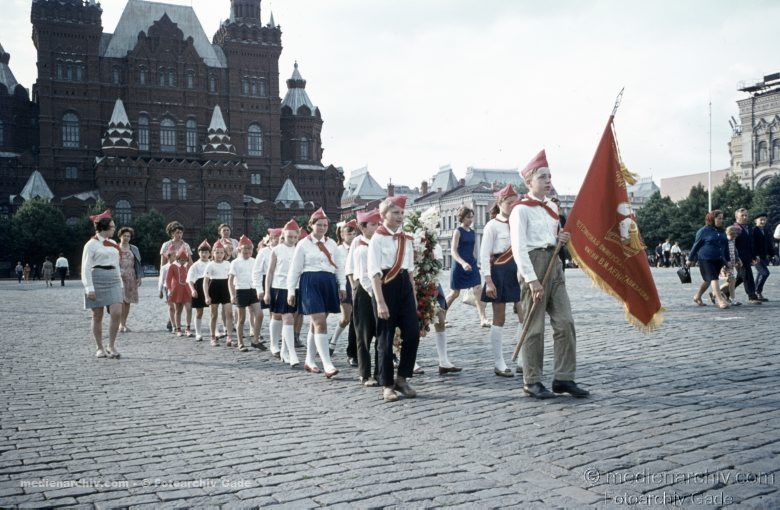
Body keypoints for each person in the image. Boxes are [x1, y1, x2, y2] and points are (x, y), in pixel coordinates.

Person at [511, 150, 588, 399]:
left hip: (554, 264)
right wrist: (531, 280)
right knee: (534, 327)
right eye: (542, 176)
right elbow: (519, 247)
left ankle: (564, 378)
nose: (548, 180)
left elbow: (552, 239)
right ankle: (531, 380)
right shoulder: (520, 210)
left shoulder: (552, 207)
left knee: (565, 322)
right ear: (529, 181)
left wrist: (561, 239)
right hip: (534, 265)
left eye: (550, 176)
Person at [368, 195, 420, 402]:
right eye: (395, 212)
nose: (400, 216)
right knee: (386, 338)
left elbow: (409, 272)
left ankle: (402, 378)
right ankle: (387, 385)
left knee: (413, 333)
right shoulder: (377, 239)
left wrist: (413, 298)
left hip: (404, 288)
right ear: (383, 215)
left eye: (401, 213)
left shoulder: (405, 238)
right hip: (385, 288)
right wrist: (380, 302)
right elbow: (374, 273)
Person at [287, 207, 344, 379]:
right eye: (319, 225)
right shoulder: (303, 244)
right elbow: (294, 269)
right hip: (310, 283)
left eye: (325, 225)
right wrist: (291, 290)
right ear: (311, 225)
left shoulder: (332, 244)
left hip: (328, 283)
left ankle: (310, 360)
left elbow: (339, 267)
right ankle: (327, 364)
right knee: (319, 321)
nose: (322, 228)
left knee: (317, 323)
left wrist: (341, 286)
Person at [479, 184, 521, 378]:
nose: (513, 205)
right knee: (500, 317)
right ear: (500, 203)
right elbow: (484, 255)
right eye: (509, 202)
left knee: (524, 314)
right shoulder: (492, 226)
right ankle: (499, 362)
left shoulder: (519, 222)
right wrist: (488, 281)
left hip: (517, 270)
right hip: (499, 271)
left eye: (515, 202)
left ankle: (522, 359)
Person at [81, 210, 123, 359]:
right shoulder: (91, 244)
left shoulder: (113, 243)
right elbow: (85, 267)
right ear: (104, 228)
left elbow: (117, 264)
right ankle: (99, 347)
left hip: (113, 279)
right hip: (97, 278)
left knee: (117, 312)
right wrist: (89, 287)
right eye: (112, 227)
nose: (114, 229)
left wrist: (121, 283)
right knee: (97, 315)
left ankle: (111, 345)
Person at [346, 209, 381, 386]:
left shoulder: (380, 241)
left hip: (380, 288)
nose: (376, 227)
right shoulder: (357, 243)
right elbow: (350, 268)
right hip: (363, 291)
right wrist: (354, 287)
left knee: (381, 332)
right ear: (363, 227)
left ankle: (380, 372)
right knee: (364, 333)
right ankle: (365, 373)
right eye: (373, 224)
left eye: (378, 224)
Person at [265, 219, 300, 367]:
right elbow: (270, 272)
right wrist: (267, 292)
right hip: (279, 287)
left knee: (288, 318)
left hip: (295, 287)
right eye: (289, 236)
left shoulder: (299, 249)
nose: (292, 239)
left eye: (294, 237)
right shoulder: (277, 250)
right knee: (284, 317)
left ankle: (285, 350)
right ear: (284, 236)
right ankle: (287, 351)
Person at [446, 207, 489, 328]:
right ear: (462, 218)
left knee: (478, 289)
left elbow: (472, 250)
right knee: (454, 293)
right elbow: (453, 251)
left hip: (472, 264)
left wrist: (477, 263)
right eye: (468, 217)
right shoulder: (457, 231)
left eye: (472, 217)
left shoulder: (472, 231)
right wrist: (463, 263)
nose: (471, 220)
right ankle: (441, 316)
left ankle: (483, 319)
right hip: (460, 265)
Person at [687, 210, 730, 309]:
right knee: (714, 279)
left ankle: (697, 296)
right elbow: (696, 245)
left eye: (722, 218)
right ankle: (720, 301)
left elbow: (725, 246)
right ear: (712, 219)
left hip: (718, 259)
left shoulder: (722, 231)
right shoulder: (703, 231)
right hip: (706, 259)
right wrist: (690, 259)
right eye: (719, 218)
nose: (721, 220)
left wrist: (727, 260)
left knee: (707, 280)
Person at [330, 219, 358, 367]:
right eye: (349, 233)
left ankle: (352, 353)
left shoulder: (358, 247)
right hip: (344, 285)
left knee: (355, 320)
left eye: (354, 233)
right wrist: (340, 286)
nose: (352, 236)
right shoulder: (338, 250)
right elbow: (337, 268)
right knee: (346, 318)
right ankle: (333, 341)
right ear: (342, 234)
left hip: (358, 284)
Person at [720, 208, 762, 305]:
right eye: (742, 216)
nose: (745, 217)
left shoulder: (748, 227)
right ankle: (752, 296)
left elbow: (750, 243)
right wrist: (733, 258)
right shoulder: (735, 228)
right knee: (747, 276)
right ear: (736, 217)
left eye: (746, 215)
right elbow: (730, 243)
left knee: (740, 278)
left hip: (747, 256)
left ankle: (722, 293)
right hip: (739, 258)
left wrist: (753, 256)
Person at [229, 235, 263, 352]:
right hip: (240, 291)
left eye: (249, 249)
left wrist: (260, 290)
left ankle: (255, 340)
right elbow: (230, 280)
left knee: (259, 314)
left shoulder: (254, 261)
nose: (247, 251)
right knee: (241, 319)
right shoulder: (235, 263)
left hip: (253, 290)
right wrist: (232, 295)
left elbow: (258, 276)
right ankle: (240, 342)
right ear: (239, 249)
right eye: (245, 248)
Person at [433, 242, 461, 375]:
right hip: (416, 282)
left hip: (432, 282)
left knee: (440, 320)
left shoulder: (435, 245)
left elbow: (438, 266)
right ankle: (412, 361)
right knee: (413, 325)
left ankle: (443, 362)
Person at [204, 240, 234, 346]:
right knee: (213, 315)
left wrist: (232, 293)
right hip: (214, 288)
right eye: (217, 252)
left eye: (221, 252)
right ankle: (213, 337)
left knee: (229, 313)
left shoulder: (228, 264)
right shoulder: (210, 265)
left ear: (224, 254)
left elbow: (232, 279)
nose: (219, 255)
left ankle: (229, 336)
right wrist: (207, 296)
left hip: (225, 288)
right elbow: (206, 282)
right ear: (213, 253)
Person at [117, 227, 142, 332]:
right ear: (120, 236)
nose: (126, 238)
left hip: (131, 277)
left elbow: (138, 263)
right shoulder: (115, 248)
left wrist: (139, 276)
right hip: (118, 277)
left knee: (128, 302)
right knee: (120, 300)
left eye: (128, 236)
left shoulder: (134, 248)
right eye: (124, 236)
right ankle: (119, 324)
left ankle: (124, 323)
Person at [187, 240, 212, 341]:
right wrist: (193, 290)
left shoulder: (212, 263)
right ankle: (198, 332)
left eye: (206, 252)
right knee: (199, 311)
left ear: (210, 253)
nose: (204, 254)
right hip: (199, 289)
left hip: (211, 288)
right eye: (202, 252)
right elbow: (190, 280)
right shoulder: (195, 265)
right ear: (199, 253)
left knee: (213, 311)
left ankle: (214, 331)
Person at [167, 246, 193, 337]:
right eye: (181, 260)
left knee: (189, 308)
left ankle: (188, 328)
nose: (183, 261)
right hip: (176, 290)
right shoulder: (173, 266)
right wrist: (169, 290)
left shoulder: (189, 266)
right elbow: (168, 280)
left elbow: (192, 278)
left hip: (187, 290)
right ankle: (178, 328)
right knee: (178, 310)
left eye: (185, 259)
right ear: (177, 259)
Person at [721, 225, 742, 306]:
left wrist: (738, 259)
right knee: (731, 281)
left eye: (735, 235)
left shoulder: (732, 241)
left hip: (732, 264)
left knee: (731, 282)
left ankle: (716, 293)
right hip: (726, 265)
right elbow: (722, 253)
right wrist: (724, 263)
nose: (734, 237)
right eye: (732, 235)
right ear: (727, 233)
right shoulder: (724, 241)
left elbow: (735, 251)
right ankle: (731, 298)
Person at [752, 212, 771, 301]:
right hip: (756, 258)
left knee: (760, 274)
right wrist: (755, 255)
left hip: (764, 257)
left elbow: (769, 244)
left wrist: (773, 254)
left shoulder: (765, 230)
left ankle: (757, 292)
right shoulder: (754, 230)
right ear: (756, 221)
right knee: (765, 273)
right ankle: (757, 291)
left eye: (764, 220)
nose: (763, 221)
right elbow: (752, 245)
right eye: (761, 220)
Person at [158, 246, 177, 333]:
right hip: (167, 288)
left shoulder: (178, 266)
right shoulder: (165, 267)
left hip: (177, 288)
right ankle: (173, 325)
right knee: (171, 307)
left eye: (176, 255)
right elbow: (161, 279)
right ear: (168, 256)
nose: (175, 257)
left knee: (177, 307)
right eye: (173, 255)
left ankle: (176, 323)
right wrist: (160, 291)